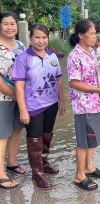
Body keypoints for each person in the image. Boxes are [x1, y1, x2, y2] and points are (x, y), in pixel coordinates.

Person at [13, 24, 66, 189]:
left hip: (51, 104)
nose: (41, 41)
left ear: (48, 38)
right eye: (37, 37)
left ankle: (44, 163)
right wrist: (23, 110)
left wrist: (62, 101)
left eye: (44, 37)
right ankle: (37, 174)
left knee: (47, 135)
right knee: (34, 139)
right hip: (33, 106)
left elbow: (58, 80)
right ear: (30, 38)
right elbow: (19, 86)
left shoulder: (53, 56)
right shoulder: (23, 58)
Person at [67, 19, 100, 191]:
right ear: (81, 35)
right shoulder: (75, 56)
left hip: (97, 102)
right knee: (83, 140)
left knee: (92, 137)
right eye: (92, 33)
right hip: (84, 105)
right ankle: (79, 175)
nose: (95, 36)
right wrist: (97, 89)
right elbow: (74, 83)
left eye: (95, 33)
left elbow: (97, 73)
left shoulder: (92, 53)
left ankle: (89, 167)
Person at [0, 12, 26, 189]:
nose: (10, 27)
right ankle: (0, 173)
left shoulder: (20, 45)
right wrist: (14, 94)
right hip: (3, 97)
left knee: (17, 129)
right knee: (2, 134)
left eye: (12, 23)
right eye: (5, 24)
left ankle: (12, 162)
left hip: (21, 97)